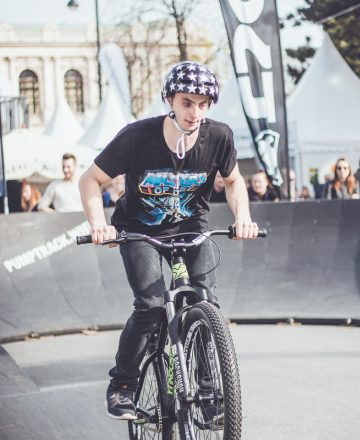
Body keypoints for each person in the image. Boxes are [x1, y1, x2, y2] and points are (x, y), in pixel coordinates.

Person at [78, 61, 259, 421]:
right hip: (139, 230)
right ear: (170, 100)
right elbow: (89, 180)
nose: (195, 112)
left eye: (204, 104)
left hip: (193, 227)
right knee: (151, 306)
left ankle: (209, 393)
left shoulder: (219, 137)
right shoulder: (136, 137)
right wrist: (100, 224)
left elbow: (235, 180)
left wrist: (243, 217)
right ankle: (124, 384)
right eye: (187, 102)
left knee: (207, 301)